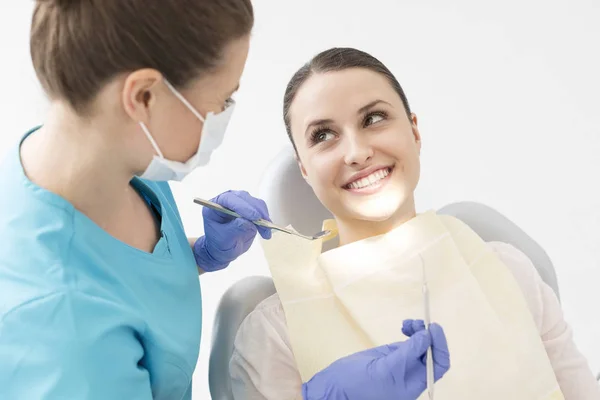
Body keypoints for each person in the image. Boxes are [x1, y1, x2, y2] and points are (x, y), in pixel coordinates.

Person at [0, 2, 449, 400]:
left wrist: (195, 253)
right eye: (222, 98)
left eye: (373, 118)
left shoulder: (113, 157)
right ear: (143, 97)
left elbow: (122, 269)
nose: (357, 152)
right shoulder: (64, 335)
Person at [229, 47, 600, 399]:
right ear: (305, 170)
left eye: (373, 118)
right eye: (323, 136)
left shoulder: (508, 271)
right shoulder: (275, 334)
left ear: (415, 131)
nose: (357, 152)